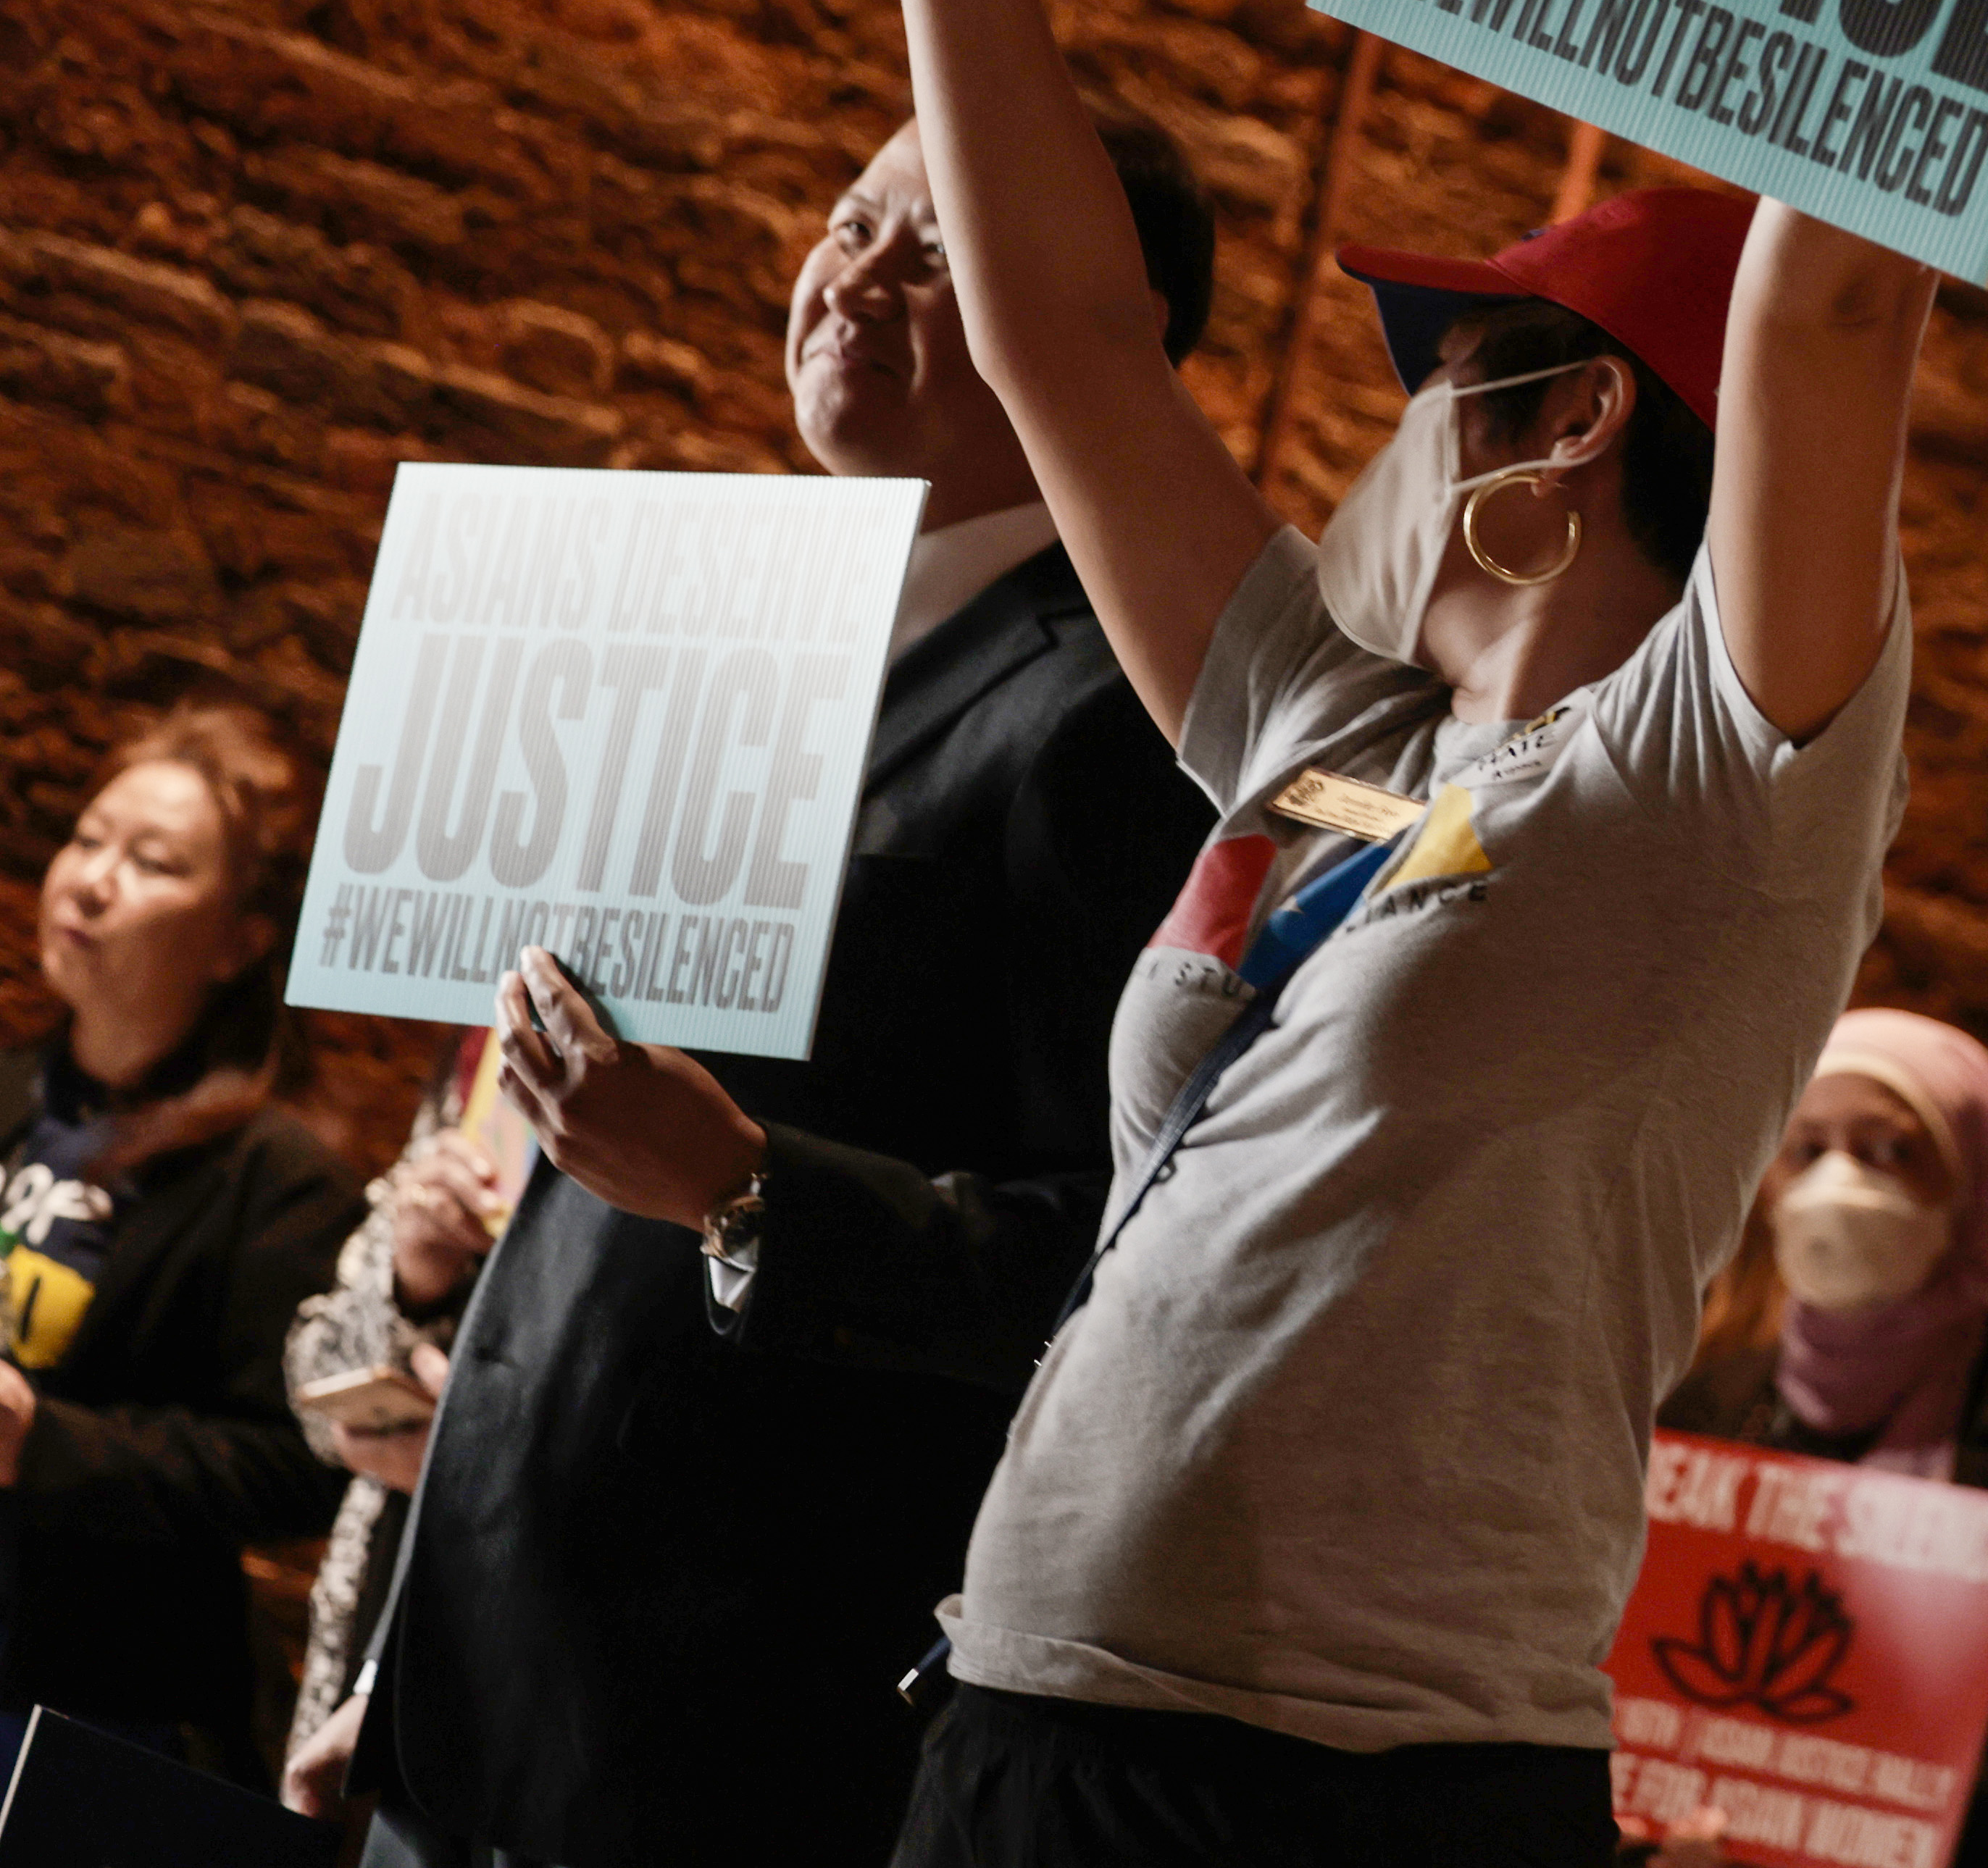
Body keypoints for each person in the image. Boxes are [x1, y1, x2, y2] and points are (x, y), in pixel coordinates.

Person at [771, 0, 1988, 1867]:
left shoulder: (1719, 772)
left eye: (1435, 379)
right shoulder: (1332, 733)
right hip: (1028, 1717)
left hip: (1349, 1794)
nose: (1375, 437)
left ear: (1567, 429)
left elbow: (1822, 316)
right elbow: (1067, 337)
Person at [330, 114, 1227, 1868]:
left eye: (940, 245)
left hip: (728, 1728)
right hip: (487, 1687)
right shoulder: (714, 642)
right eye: (851, 218)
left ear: (1095, 335)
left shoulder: (1108, 724)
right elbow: (569, 1250)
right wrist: (422, 1649)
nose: (859, 276)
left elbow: (1117, 1252)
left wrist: (748, 1190)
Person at [1652, 1007, 1988, 1868]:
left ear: (1969, 1179)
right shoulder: (1706, 1409)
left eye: (1889, 1149)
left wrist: (1860, 1818)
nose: (1838, 1180)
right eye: (1806, 1149)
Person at [0, 698, 365, 1777]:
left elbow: (300, 1465)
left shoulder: (280, 1181)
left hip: (88, 1707)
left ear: (240, 941)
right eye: (90, 838)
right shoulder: (15, 1086)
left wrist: (45, 1443)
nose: (93, 879)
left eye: (153, 861)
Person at [276, 1029, 517, 1809]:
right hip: (378, 1625)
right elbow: (317, 1389)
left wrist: (476, 1464)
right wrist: (415, 1276)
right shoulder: (472, 1078)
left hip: (520, 1665)